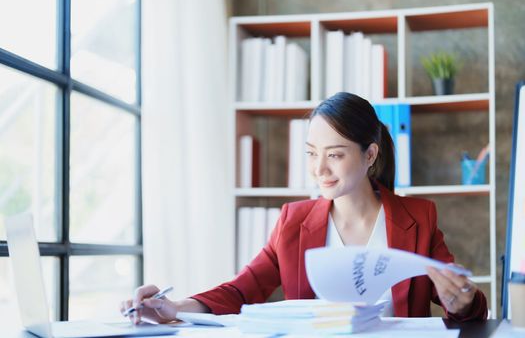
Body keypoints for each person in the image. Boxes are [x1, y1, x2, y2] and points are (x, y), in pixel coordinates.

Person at [121, 92, 487, 324]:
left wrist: (462, 301)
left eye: (335, 155)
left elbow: (460, 299)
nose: (319, 169)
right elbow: (242, 290)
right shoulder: (293, 222)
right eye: (312, 154)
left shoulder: (417, 218)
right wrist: (175, 307)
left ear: (370, 155)